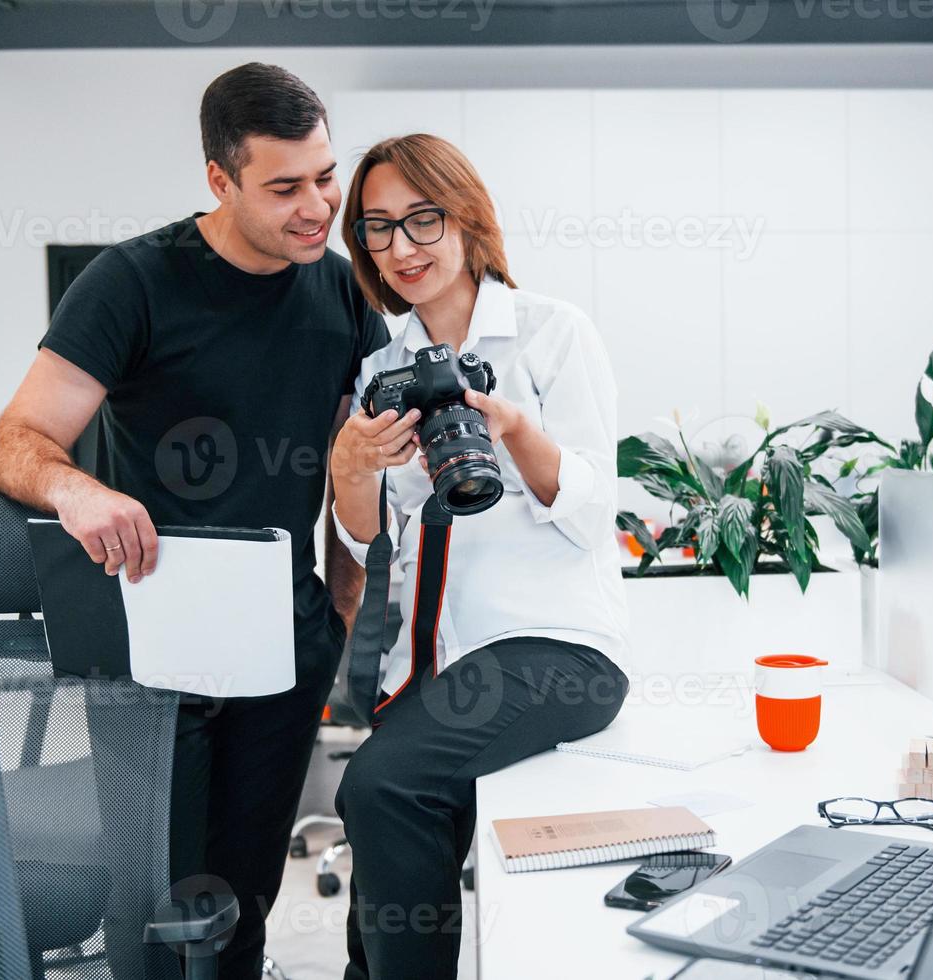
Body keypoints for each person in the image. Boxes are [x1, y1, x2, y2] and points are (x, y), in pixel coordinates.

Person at [0, 63, 389, 979]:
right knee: (157, 913)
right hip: (154, 651)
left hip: (281, 645)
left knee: (242, 907)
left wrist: (341, 609)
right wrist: (77, 490)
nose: (317, 206)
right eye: (284, 187)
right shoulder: (131, 280)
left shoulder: (344, 295)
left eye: (325, 175)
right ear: (219, 180)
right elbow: (15, 441)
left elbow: (353, 464)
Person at [329, 133, 631, 979]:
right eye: (378, 229)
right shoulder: (381, 369)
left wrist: (516, 432)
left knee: (382, 788)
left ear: (467, 219)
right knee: (374, 888)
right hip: (431, 664)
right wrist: (350, 466)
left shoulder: (550, 335)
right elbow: (365, 536)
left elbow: (596, 507)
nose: (402, 248)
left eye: (421, 220)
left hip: (556, 649)